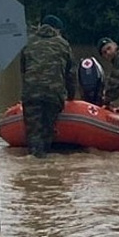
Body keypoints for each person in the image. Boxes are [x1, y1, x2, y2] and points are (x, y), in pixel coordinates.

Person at [20, 14, 76, 158]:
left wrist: (26, 90)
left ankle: (34, 163)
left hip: (31, 93)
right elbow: (70, 74)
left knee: (33, 133)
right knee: (47, 131)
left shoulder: (28, 43)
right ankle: (45, 162)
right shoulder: (63, 44)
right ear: (57, 30)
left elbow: (23, 69)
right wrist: (71, 97)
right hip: (53, 93)